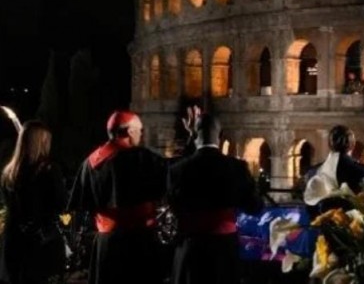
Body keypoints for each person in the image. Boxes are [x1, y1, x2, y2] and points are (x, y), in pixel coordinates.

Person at [67, 110, 167, 284]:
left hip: (106, 245)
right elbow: (176, 175)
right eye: (139, 130)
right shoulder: (143, 158)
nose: (142, 134)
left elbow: (81, 204)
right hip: (139, 244)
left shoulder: (90, 162)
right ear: (129, 132)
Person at [167, 112, 263, 284]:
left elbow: (172, 204)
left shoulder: (177, 170)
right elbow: (255, 206)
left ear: (194, 135)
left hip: (191, 247)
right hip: (224, 249)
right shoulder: (237, 168)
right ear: (221, 136)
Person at [0, 121, 66, 284]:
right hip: (39, 244)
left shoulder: (9, 173)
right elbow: (61, 204)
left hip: (13, 241)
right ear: (43, 142)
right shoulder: (49, 171)